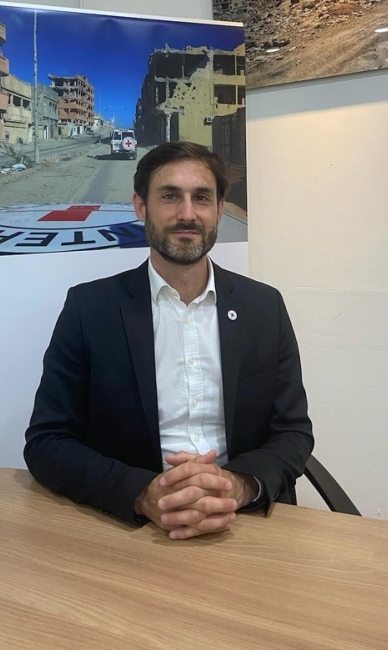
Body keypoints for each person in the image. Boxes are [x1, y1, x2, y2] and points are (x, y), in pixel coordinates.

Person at [25, 142, 313, 540]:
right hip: (133, 527)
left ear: (219, 208)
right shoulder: (89, 308)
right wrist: (143, 494)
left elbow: (293, 431)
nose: (187, 214)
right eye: (170, 196)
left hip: (244, 521)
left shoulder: (264, 307)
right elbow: (46, 441)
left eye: (202, 198)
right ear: (141, 208)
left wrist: (239, 486)